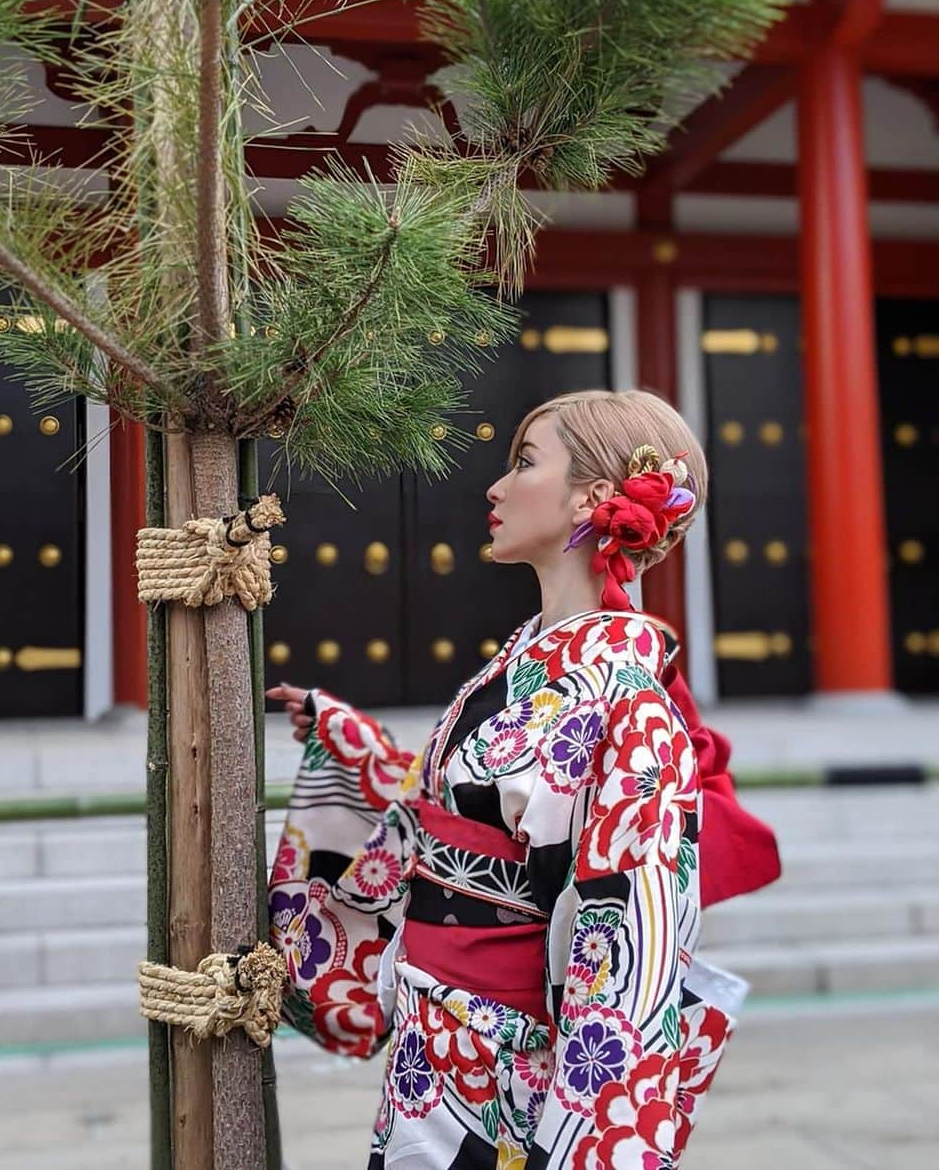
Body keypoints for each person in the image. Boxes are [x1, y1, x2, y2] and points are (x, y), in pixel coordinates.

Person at [266, 389, 780, 1169]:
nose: (495, 487)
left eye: (524, 462)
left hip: (516, 1074)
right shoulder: (524, 660)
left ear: (596, 495)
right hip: (432, 1049)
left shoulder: (633, 702)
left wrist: (586, 1144)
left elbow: (631, 947)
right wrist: (357, 748)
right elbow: (458, 816)